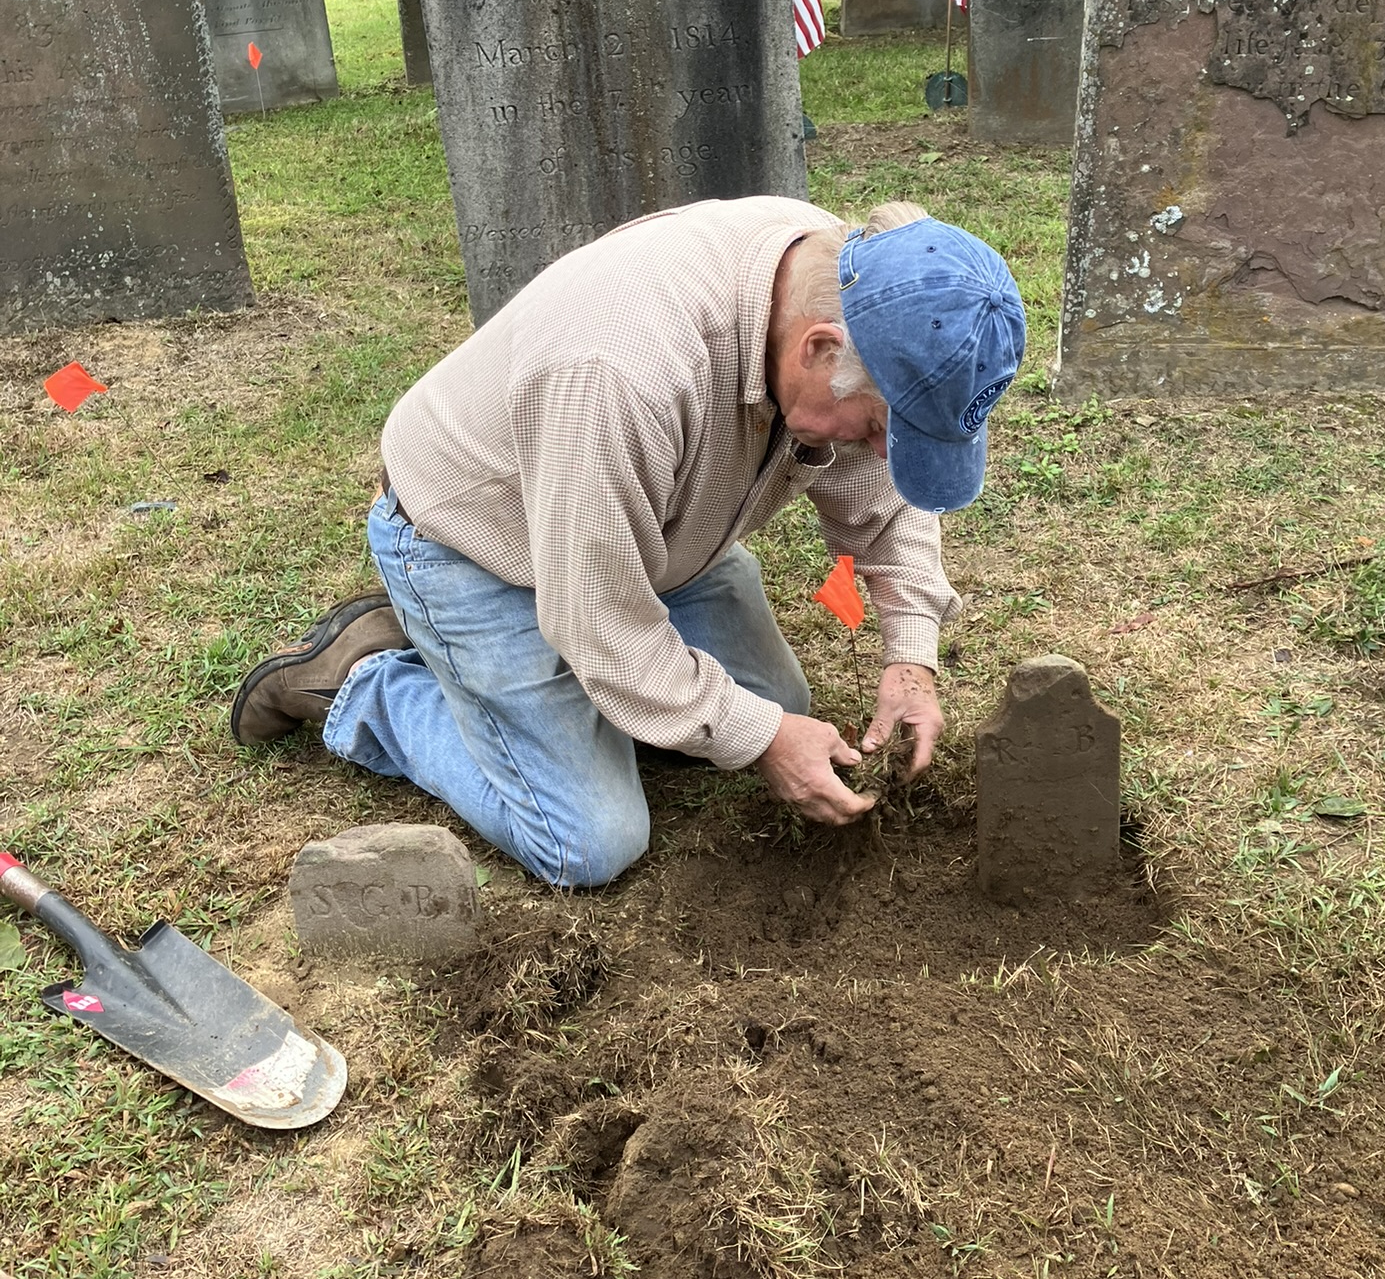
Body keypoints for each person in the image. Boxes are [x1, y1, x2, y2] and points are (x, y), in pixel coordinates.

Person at [231, 196, 1026, 888]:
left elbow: (884, 507)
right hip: (481, 546)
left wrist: (910, 658)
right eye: (884, 427)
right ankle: (365, 683)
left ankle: (542, 695)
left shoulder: (853, 281)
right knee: (588, 841)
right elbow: (599, 622)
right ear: (819, 351)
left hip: (650, 532)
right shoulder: (618, 369)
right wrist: (751, 738)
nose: (884, 453)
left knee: (773, 710)